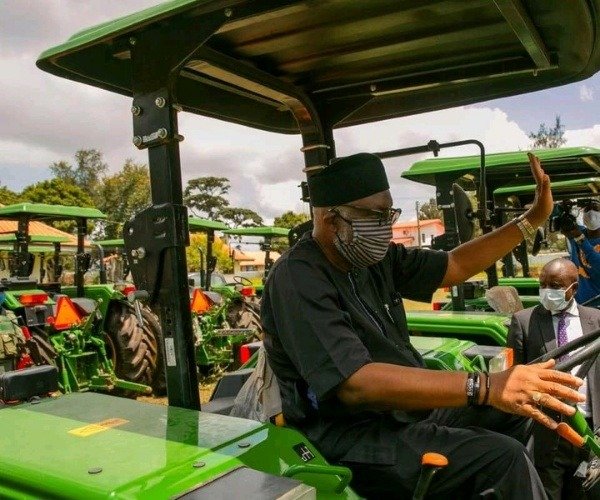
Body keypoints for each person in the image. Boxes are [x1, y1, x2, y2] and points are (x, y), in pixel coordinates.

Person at [261, 152, 586, 499]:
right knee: (501, 458)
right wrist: (485, 385)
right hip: (350, 434)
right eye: (375, 216)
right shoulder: (298, 278)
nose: (385, 226)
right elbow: (355, 384)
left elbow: (456, 264)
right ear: (330, 220)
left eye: (389, 214)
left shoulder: (373, 258)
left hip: (404, 415)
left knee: (527, 409)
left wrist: (531, 219)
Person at [508, 258, 600, 500]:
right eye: (543, 284)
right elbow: (515, 379)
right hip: (548, 434)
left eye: (556, 286)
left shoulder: (596, 320)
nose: (548, 291)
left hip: (590, 431)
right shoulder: (524, 321)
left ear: (574, 288)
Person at [563, 199, 600, 306]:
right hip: (579, 304)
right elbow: (564, 223)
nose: (592, 214)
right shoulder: (579, 232)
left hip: (597, 303)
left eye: (596, 209)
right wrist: (564, 209)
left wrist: (580, 239)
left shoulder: (579, 235)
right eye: (588, 209)